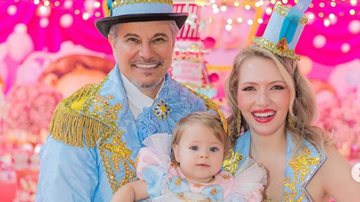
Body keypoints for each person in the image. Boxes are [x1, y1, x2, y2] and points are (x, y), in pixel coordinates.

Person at [36, 1, 224, 201]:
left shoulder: (202, 111)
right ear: (113, 41)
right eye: (133, 40)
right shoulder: (79, 118)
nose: (146, 53)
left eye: (158, 39)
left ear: (173, 41)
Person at [224, 2, 360, 201]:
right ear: (236, 95)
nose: (262, 101)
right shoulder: (218, 153)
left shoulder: (320, 158)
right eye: (250, 89)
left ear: (294, 93)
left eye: (276, 87)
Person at [111, 112, 266, 202]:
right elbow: (131, 189)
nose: (204, 155)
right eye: (194, 148)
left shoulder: (228, 187)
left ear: (224, 154)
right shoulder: (167, 177)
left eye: (213, 149)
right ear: (177, 152)